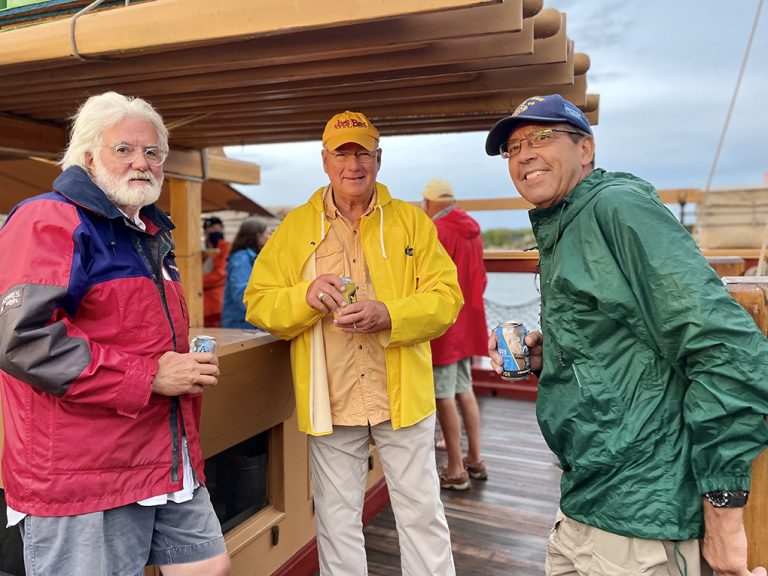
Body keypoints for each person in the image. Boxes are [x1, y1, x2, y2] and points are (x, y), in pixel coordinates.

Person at [485, 93, 768, 576]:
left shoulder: (616, 208)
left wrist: (724, 514)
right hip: (585, 494)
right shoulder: (565, 222)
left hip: (642, 508)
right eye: (513, 148)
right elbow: (621, 341)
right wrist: (551, 355)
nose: (525, 153)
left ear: (586, 150)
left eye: (542, 137)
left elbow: (728, 349)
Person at [0, 91, 230, 576]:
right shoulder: (49, 218)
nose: (141, 163)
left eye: (152, 153)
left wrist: (177, 365)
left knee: (208, 567)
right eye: (123, 149)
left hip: (163, 455)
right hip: (82, 472)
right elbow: (21, 338)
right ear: (87, 156)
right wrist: (149, 376)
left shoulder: (147, 231)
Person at [243, 110, 463, 576]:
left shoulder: (412, 223)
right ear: (324, 161)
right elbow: (258, 302)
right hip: (332, 399)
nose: (353, 164)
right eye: (342, 154)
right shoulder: (294, 228)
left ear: (378, 159)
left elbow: (447, 299)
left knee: (422, 516)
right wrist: (303, 297)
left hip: (403, 397)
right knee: (337, 524)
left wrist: (390, 314)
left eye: (362, 152)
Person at [421, 178, 489, 491]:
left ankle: (455, 468)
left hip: (447, 326)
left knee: (443, 396)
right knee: (465, 389)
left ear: (429, 202)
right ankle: (475, 458)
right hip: (470, 320)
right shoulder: (471, 227)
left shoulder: (437, 231)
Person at [221, 217, 272, 329]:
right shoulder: (241, 258)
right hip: (240, 325)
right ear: (257, 235)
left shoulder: (253, 257)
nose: (270, 237)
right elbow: (242, 294)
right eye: (267, 233)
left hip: (247, 323)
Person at [203, 216, 231, 326]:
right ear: (205, 231)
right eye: (213, 228)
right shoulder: (200, 247)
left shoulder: (225, 247)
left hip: (217, 304)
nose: (216, 231)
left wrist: (195, 283)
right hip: (202, 305)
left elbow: (221, 274)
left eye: (219, 228)